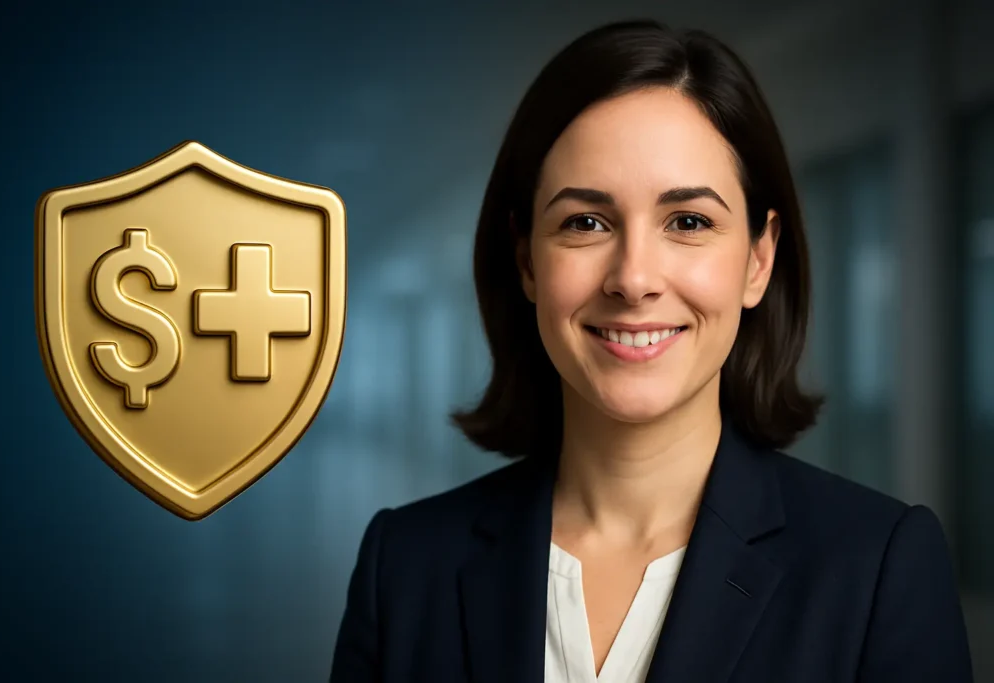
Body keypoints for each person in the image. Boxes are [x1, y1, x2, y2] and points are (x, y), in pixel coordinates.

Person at [329, 19, 974, 683]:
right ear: (526, 260)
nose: (634, 278)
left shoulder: (875, 569)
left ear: (758, 259)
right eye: (586, 222)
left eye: (688, 221)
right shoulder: (404, 567)